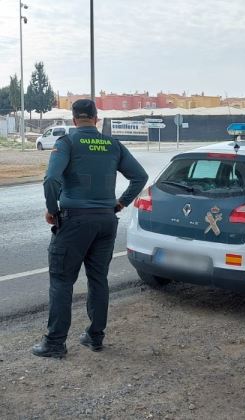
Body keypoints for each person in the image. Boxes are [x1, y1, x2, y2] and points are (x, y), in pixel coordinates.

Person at [32, 99, 148, 358]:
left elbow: (51, 179)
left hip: (75, 222)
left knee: (62, 280)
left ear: (74, 120)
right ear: (97, 118)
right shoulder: (113, 144)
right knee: (98, 280)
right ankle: (95, 337)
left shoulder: (67, 143)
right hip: (106, 221)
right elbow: (140, 176)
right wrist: (120, 203)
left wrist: (52, 210)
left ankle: (54, 343)